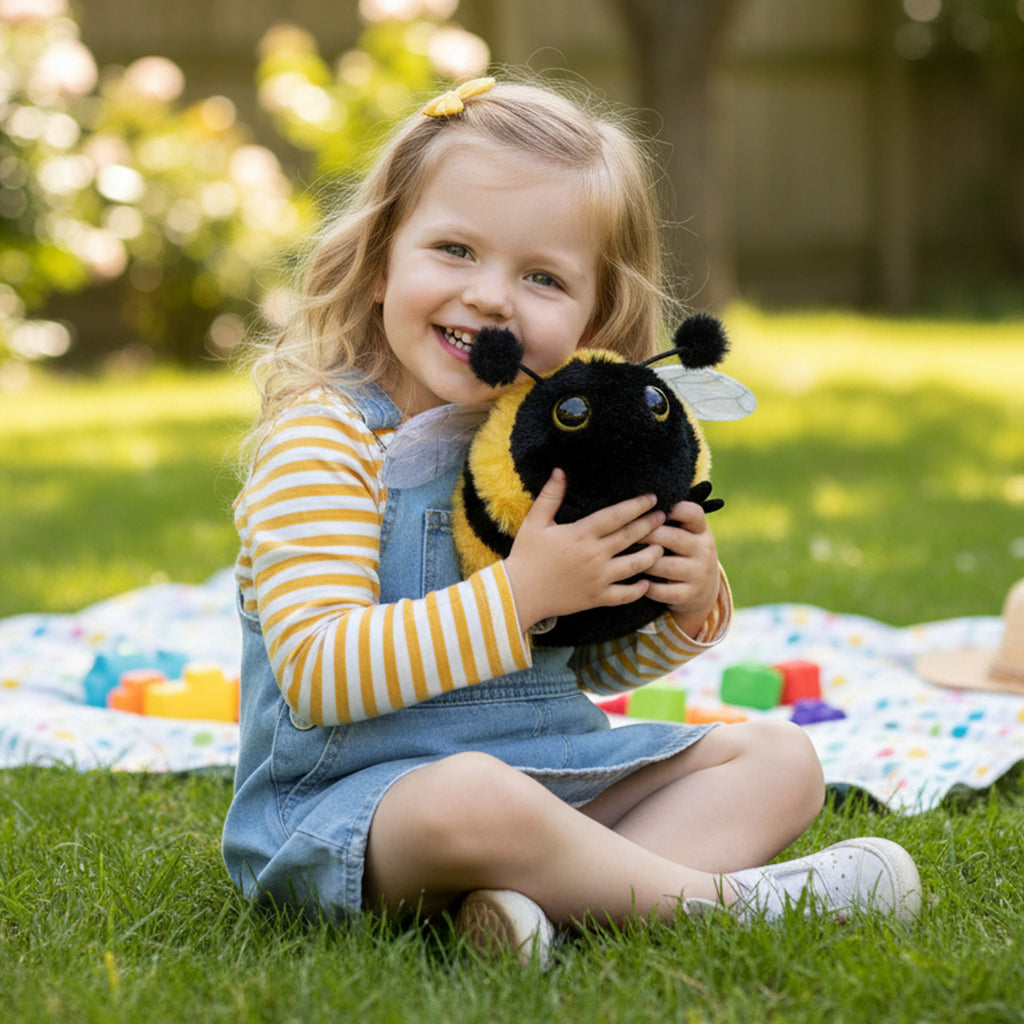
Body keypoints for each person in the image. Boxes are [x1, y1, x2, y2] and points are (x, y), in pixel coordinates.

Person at [222, 76, 920, 966]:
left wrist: (679, 601)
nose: (491, 299)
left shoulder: (554, 443)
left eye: (542, 276)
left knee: (782, 761)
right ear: (381, 255)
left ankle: (538, 910)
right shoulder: (326, 442)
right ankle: (733, 906)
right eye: (456, 249)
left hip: (549, 770)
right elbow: (320, 674)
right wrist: (520, 595)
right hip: (356, 813)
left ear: (597, 313)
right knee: (474, 799)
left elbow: (587, 665)